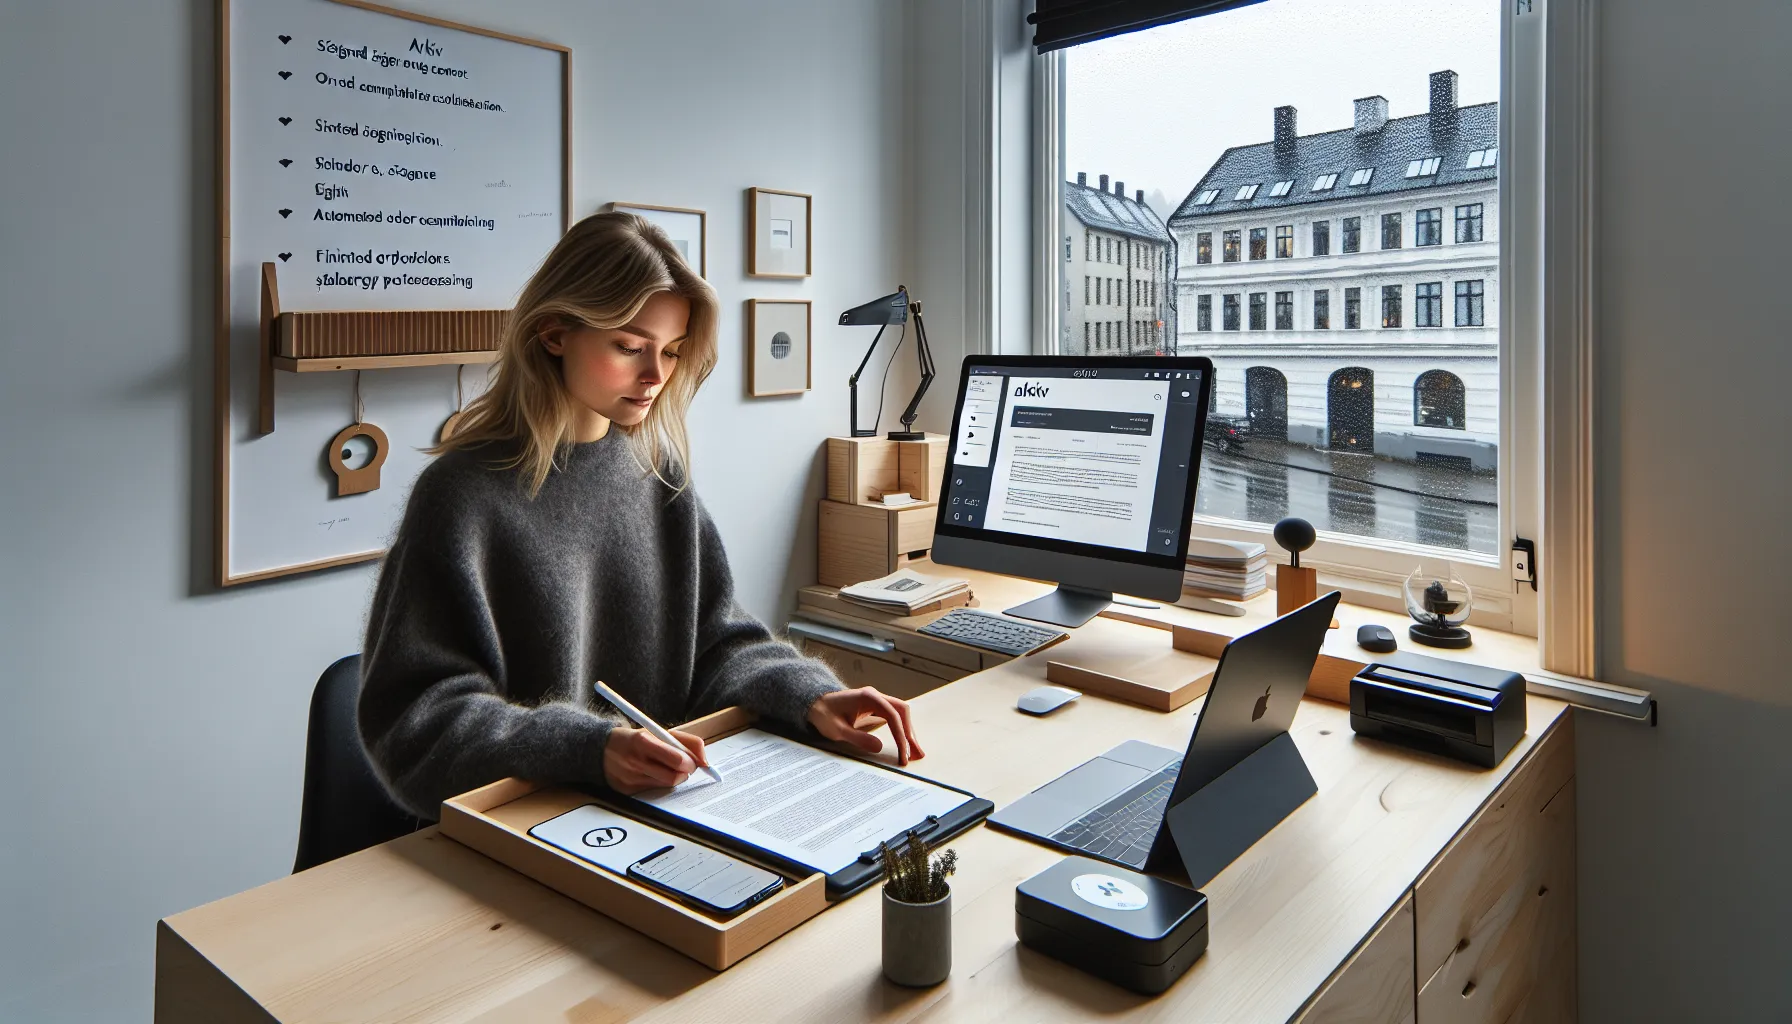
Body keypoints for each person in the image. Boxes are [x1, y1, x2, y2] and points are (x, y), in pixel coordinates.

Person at [359, 211, 922, 817]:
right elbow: (418, 720)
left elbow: (718, 641)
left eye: (673, 352)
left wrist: (808, 695)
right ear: (553, 334)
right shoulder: (460, 496)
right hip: (518, 833)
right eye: (630, 347)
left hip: (653, 813)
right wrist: (588, 747)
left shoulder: (657, 475)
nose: (656, 377)